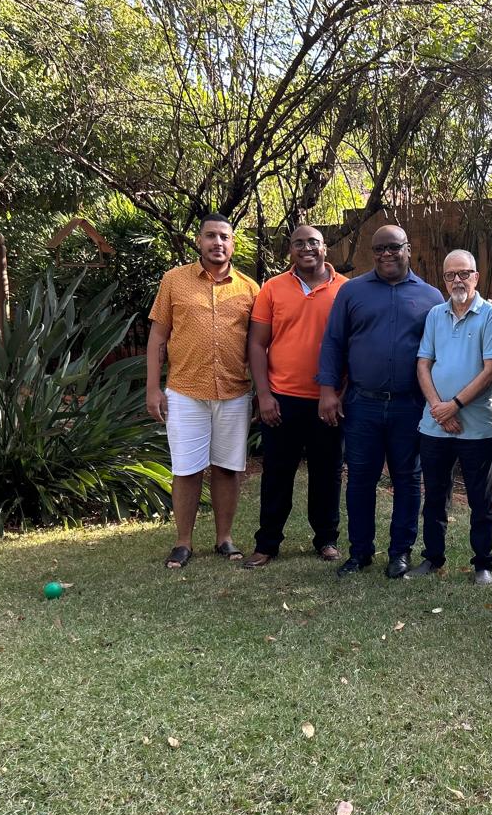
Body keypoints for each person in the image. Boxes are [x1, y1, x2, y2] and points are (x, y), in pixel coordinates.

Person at [317, 225, 444, 579]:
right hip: (362, 403)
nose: (386, 254)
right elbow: (333, 341)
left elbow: (445, 344)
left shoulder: (431, 297)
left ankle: (400, 552)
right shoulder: (352, 291)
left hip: (410, 405)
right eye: (379, 249)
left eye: (393, 247)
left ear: (408, 248)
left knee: (407, 479)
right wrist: (327, 390)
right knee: (360, 479)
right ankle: (360, 552)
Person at [145, 213, 259, 569]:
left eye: (224, 236)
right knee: (186, 469)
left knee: (228, 468)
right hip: (185, 391)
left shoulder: (250, 288)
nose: (217, 243)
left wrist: (262, 390)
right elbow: (158, 337)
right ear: (199, 241)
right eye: (211, 236)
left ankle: (224, 538)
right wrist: (153, 388)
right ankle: (183, 542)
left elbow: (259, 344)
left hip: (234, 391)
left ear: (233, 243)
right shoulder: (174, 281)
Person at [243, 225, 346, 569]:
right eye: (299, 243)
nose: (306, 248)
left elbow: (352, 346)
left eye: (313, 242)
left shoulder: (345, 290)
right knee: (276, 473)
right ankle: (267, 543)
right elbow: (257, 343)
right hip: (281, 400)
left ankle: (327, 539)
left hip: (328, 400)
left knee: (327, 473)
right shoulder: (272, 288)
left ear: (325, 248)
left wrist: (340, 394)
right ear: (290, 250)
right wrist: (264, 395)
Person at [408, 249, 492, 584]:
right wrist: (439, 407)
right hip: (434, 425)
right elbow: (423, 363)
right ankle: (432, 559)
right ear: (444, 279)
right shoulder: (435, 314)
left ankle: (483, 564)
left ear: (476, 277)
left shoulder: (491, 315)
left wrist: (455, 405)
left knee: (481, 499)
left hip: (476, 427)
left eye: (464, 273)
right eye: (450, 275)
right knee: (435, 496)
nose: (457, 280)